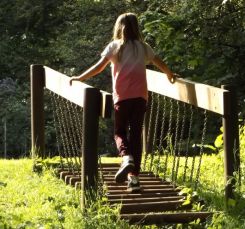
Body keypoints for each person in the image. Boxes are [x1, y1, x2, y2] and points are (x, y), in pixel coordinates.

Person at [69, 12, 178, 192]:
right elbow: (160, 63)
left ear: (118, 28)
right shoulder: (143, 47)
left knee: (119, 133)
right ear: (137, 28)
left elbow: (98, 67)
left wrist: (80, 77)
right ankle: (134, 179)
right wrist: (170, 74)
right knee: (136, 135)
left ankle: (126, 157)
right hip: (140, 98)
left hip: (122, 98)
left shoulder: (114, 47)